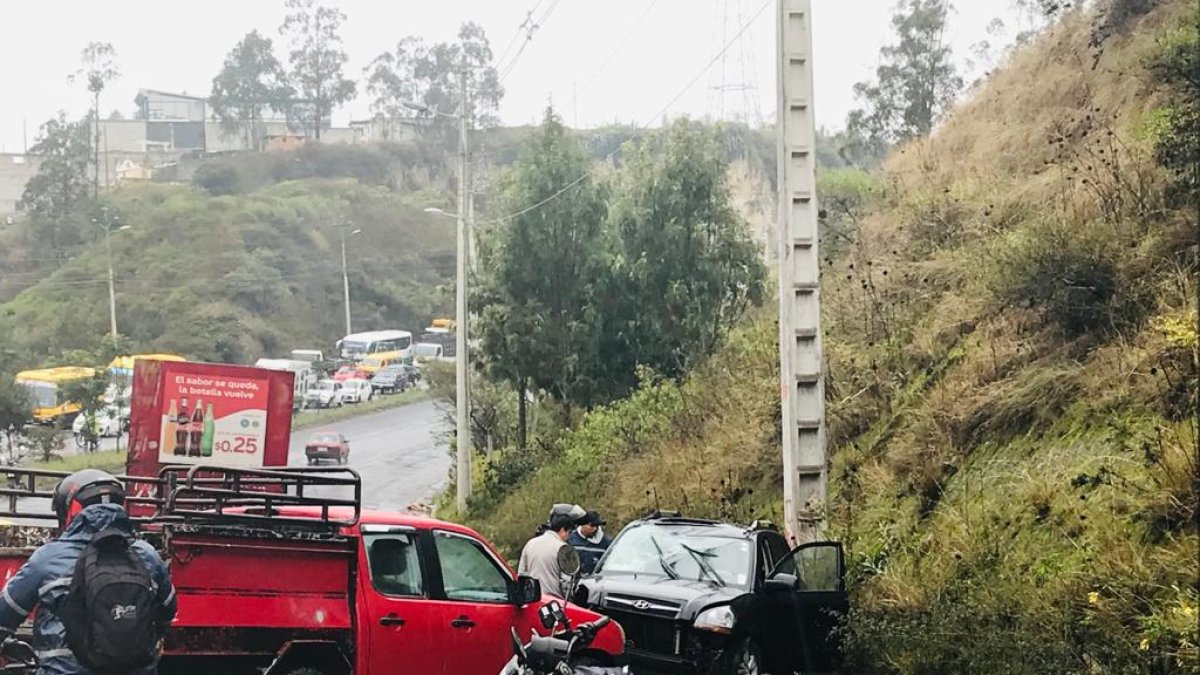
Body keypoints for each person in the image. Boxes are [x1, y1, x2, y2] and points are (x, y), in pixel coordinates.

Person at [0, 469, 177, 675]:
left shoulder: (48, 558)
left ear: (70, 510)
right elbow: (168, 610)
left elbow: (6, 613)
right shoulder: (147, 554)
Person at [518, 513, 576, 598]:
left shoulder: (530, 543)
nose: (569, 537)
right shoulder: (565, 549)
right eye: (569, 532)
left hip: (532, 598)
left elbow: (521, 573)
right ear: (563, 530)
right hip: (554, 601)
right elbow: (566, 583)